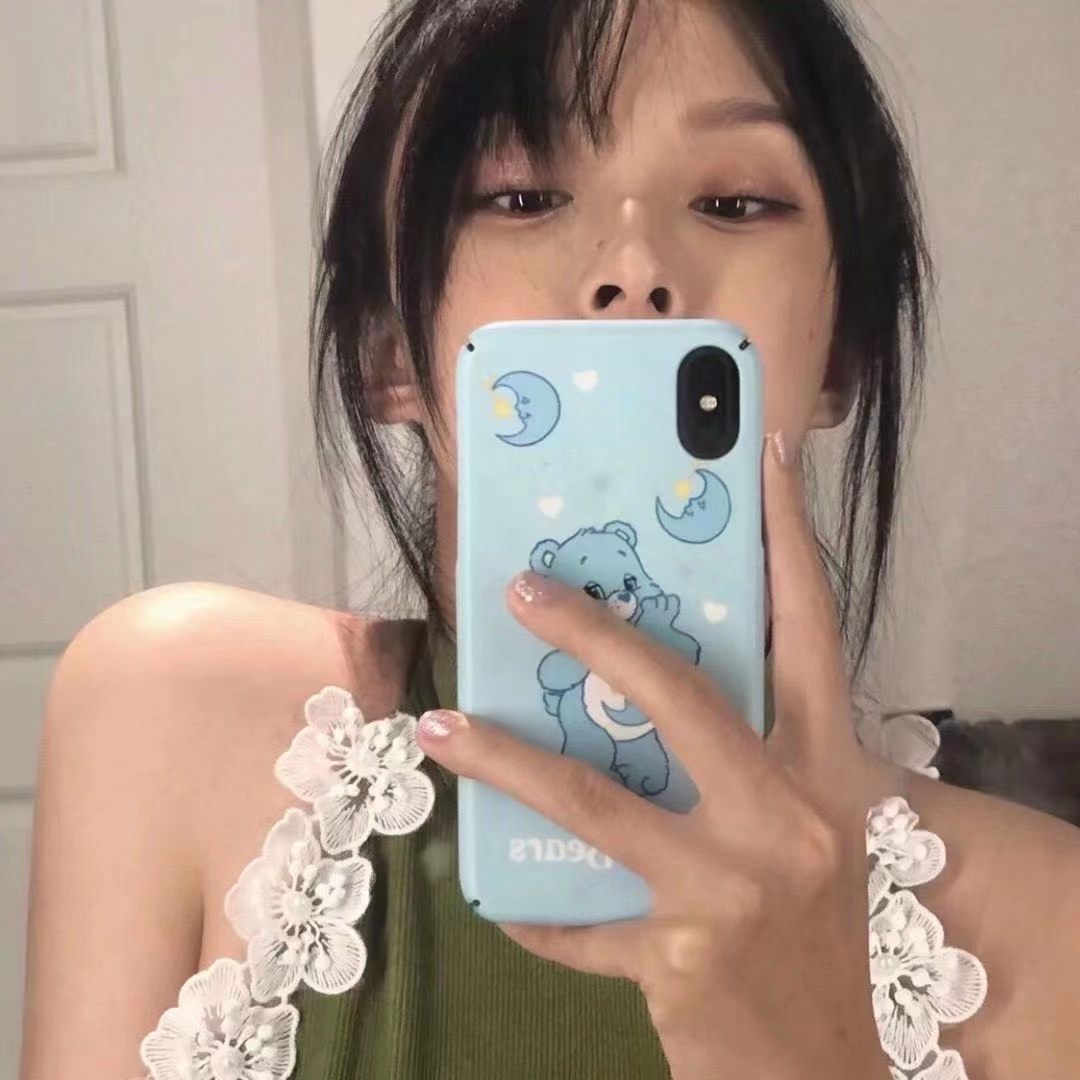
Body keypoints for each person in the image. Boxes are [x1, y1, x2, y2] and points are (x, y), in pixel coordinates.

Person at [19, 1, 1080, 1078]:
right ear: (389, 346)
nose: (635, 265)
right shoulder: (166, 713)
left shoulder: (1049, 923)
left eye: (734, 201)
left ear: (839, 357)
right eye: (521, 196)